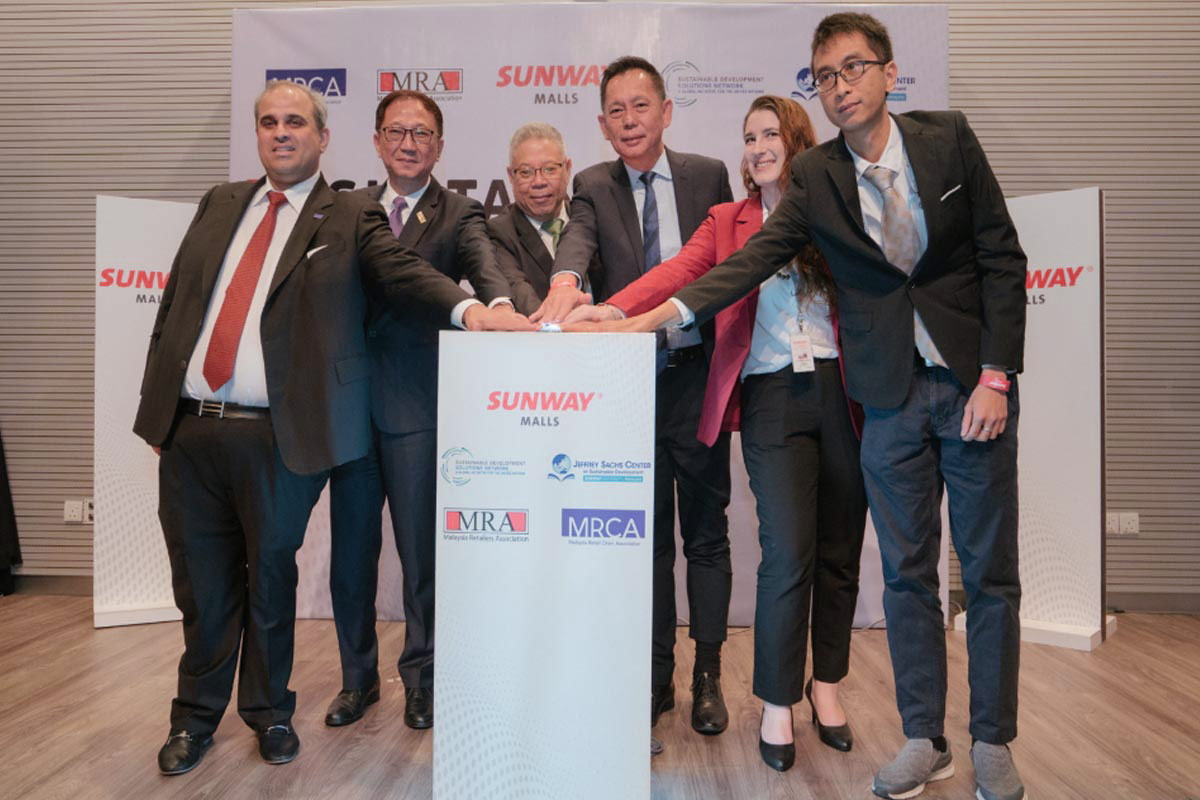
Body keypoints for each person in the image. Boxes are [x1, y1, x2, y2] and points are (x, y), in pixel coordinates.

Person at [585, 13, 1029, 800]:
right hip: (886, 401)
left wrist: (996, 374)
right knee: (904, 578)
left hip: (967, 390)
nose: (841, 86)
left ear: (890, 73)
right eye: (825, 76)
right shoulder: (818, 179)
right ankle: (925, 740)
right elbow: (741, 265)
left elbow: (1000, 254)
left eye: (854, 68)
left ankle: (992, 740)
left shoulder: (948, 138)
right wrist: (636, 317)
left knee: (989, 574)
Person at [134, 80, 528, 777]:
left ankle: (270, 712)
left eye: (296, 122)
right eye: (269, 122)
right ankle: (195, 718)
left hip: (285, 431)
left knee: (272, 581)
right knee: (201, 586)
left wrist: (478, 312)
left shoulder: (348, 214)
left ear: (323, 137)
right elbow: (177, 308)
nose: (281, 132)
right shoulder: (221, 202)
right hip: (195, 431)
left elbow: (406, 272)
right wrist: (159, 409)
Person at [565, 95, 868, 772]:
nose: (758, 146)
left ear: (798, 143)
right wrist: (614, 310)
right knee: (787, 550)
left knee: (839, 550)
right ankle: (778, 704)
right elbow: (678, 275)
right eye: (749, 136)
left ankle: (827, 688)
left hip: (843, 392)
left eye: (771, 134)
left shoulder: (834, 208)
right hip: (768, 398)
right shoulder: (727, 220)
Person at [532, 56, 736, 738]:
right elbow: (577, 245)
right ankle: (653, 679)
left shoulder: (708, 176)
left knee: (705, 537)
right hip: (623, 391)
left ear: (666, 111)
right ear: (601, 122)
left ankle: (708, 676)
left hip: (697, 381)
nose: (629, 120)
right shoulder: (589, 184)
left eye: (640, 106)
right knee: (642, 543)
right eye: (615, 110)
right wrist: (564, 281)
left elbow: (728, 265)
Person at [323, 89, 516, 733]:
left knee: (421, 557)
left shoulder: (460, 212)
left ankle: (423, 678)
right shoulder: (344, 208)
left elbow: (486, 271)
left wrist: (503, 309)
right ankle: (357, 680)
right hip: (347, 406)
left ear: (440, 145)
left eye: (422, 133)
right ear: (377, 141)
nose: (409, 142)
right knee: (351, 554)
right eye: (397, 131)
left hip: (418, 407)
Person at [487, 122, 576, 314]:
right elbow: (521, 296)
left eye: (550, 169)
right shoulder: (497, 234)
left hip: (610, 339)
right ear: (511, 176)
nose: (539, 182)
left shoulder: (588, 218)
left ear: (567, 168)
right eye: (526, 172)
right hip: (539, 338)